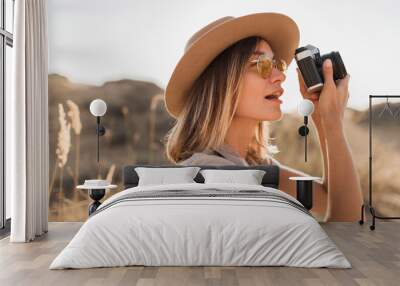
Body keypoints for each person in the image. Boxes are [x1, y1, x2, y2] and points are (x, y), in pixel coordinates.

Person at [163, 13, 363, 222]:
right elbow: (348, 234)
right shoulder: (214, 179)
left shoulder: (253, 164)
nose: (280, 76)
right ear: (221, 83)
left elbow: (330, 198)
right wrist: (333, 122)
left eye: (277, 65)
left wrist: (323, 119)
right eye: (261, 64)